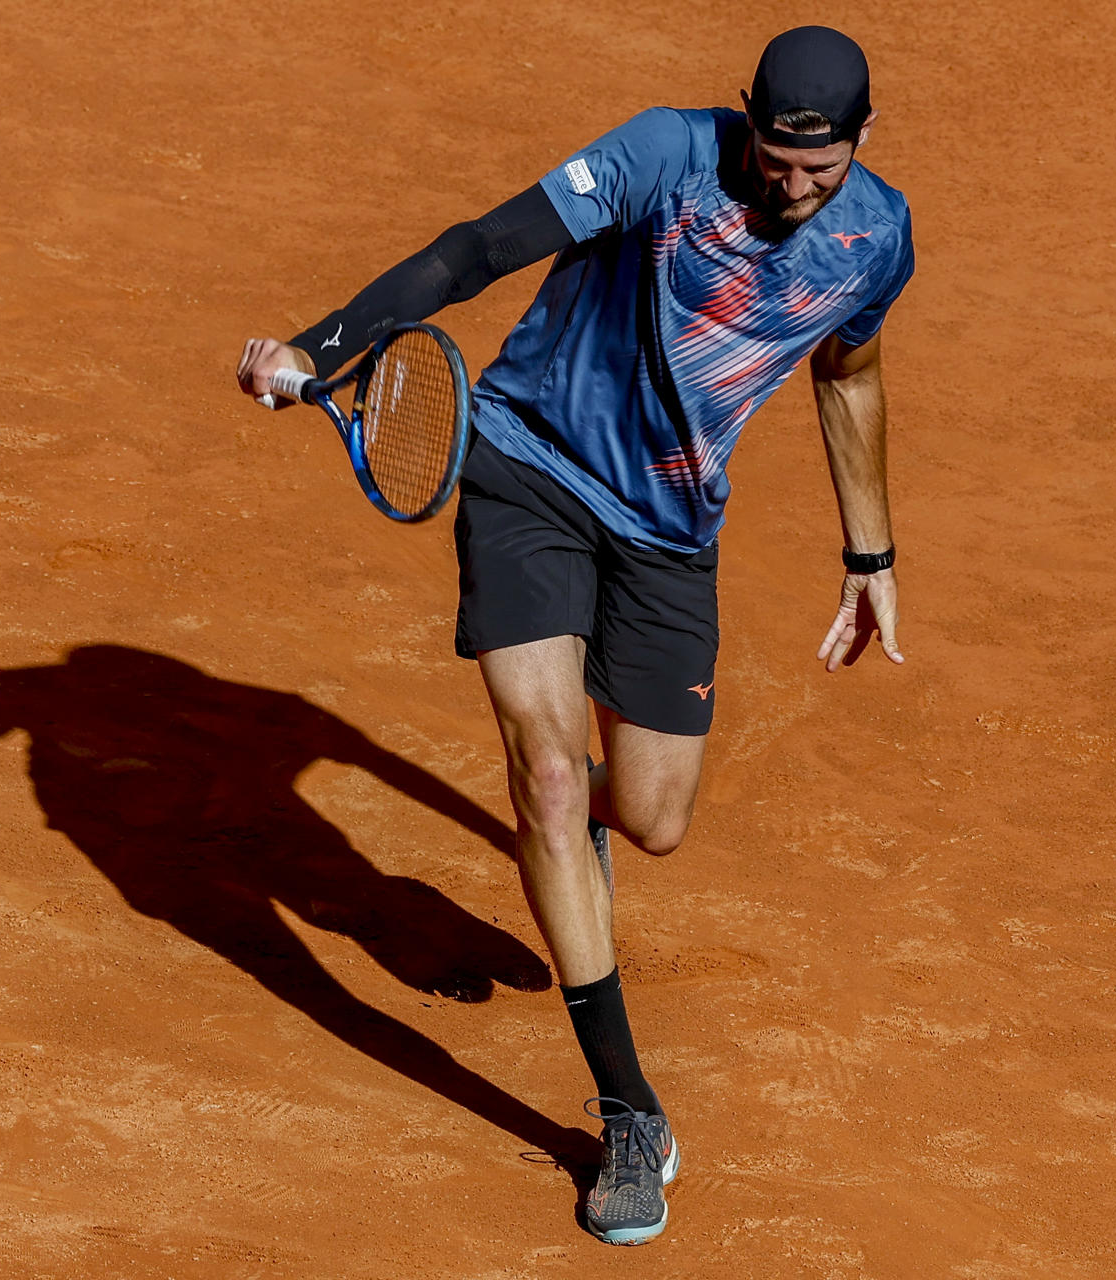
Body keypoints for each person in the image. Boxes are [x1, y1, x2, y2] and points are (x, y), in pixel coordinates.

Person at [235, 26, 913, 1245]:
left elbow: (849, 376)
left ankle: (563, 839)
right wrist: (319, 347)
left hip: (671, 529)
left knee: (646, 819)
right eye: (773, 158)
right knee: (550, 773)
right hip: (530, 469)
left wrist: (871, 554)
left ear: (865, 141)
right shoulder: (663, 157)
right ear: (746, 120)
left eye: (819, 170)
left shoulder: (876, 238)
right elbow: (484, 246)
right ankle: (626, 1114)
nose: (791, 190)